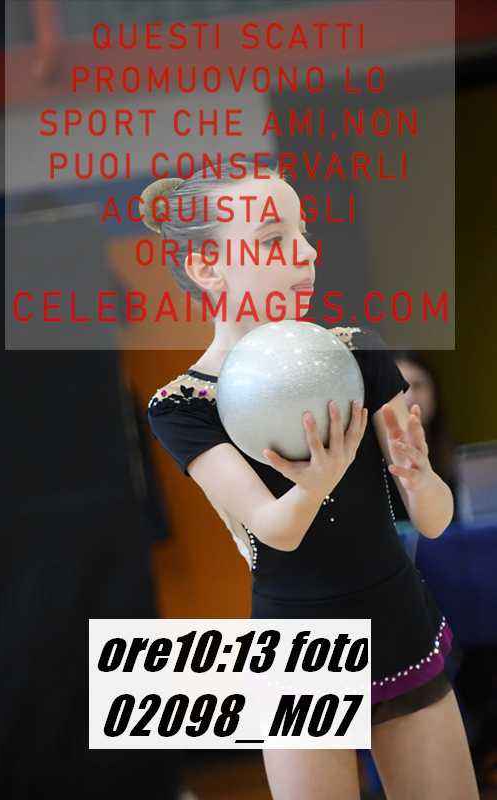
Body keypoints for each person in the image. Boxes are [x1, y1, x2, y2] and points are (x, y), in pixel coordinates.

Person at [144, 162, 478, 799]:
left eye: (303, 233)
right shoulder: (183, 405)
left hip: (397, 624)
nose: (304, 252)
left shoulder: (357, 352)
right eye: (273, 239)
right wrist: (317, 481)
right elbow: (276, 531)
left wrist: (419, 479)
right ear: (207, 267)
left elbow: (433, 521)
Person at [389, 351, 459, 523]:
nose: (410, 397)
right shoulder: (376, 459)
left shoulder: (453, 452)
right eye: (401, 389)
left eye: (418, 385)